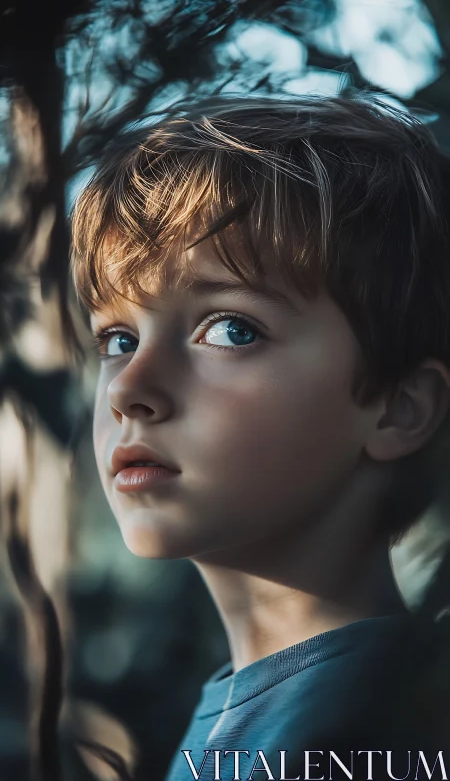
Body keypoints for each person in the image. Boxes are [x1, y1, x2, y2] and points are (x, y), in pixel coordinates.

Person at [70, 94, 450, 781]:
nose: (130, 389)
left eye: (230, 330)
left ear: (397, 408)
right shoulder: (266, 706)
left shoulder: (369, 732)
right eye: (118, 338)